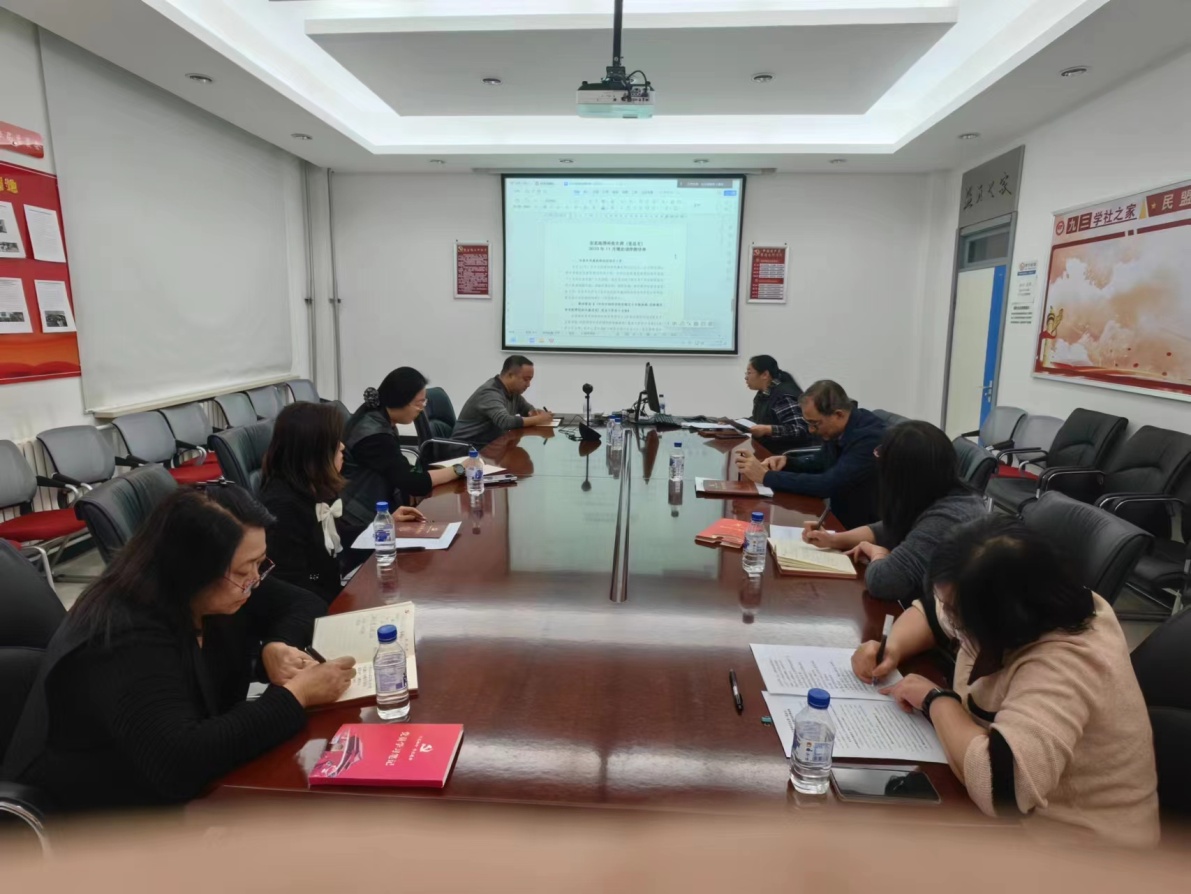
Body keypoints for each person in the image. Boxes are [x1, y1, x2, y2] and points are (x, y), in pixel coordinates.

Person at [3, 485, 357, 812]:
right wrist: (295, 695)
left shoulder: (216, 587)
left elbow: (303, 602)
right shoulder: (125, 635)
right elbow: (178, 763)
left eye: (259, 562)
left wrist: (275, 646)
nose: (254, 579)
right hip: (101, 820)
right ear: (193, 569)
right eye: (243, 570)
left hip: (184, 785)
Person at [853, 515, 1159, 846]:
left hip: (1085, 850)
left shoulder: (1067, 661)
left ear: (1001, 620)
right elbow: (932, 612)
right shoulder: (1018, 597)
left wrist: (935, 701)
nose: (949, 618)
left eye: (957, 614)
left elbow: (1003, 790)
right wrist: (893, 648)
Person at [803, 420, 987, 601]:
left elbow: (884, 583)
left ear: (902, 474)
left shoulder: (948, 517)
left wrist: (877, 553)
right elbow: (890, 527)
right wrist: (834, 540)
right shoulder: (937, 491)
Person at [261, 402, 424, 603]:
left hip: (332, 593)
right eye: (334, 442)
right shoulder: (282, 508)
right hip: (316, 607)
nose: (343, 446)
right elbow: (296, 587)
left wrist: (383, 526)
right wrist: (348, 604)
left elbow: (337, 539)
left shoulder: (316, 487)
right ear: (314, 451)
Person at [736, 380, 885, 529]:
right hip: (838, 514)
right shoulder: (839, 427)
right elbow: (820, 462)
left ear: (838, 415)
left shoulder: (869, 438)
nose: (811, 430)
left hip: (863, 527)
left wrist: (767, 477)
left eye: (815, 424)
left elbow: (829, 484)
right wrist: (788, 462)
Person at [340, 367, 461, 533]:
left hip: (376, 508)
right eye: (419, 403)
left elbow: (397, 469)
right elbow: (413, 483)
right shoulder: (374, 436)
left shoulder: (378, 417)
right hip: (359, 520)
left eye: (424, 402)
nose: (422, 408)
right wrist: (459, 469)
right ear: (400, 400)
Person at [452, 355, 553, 447]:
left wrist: (533, 412)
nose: (528, 384)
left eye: (530, 380)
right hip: (467, 449)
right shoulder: (490, 392)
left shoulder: (513, 392)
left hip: (489, 448)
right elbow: (505, 421)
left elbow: (526, 408)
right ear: (510, 375)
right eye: (526, 379)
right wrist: (539, 419)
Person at [740, 354, 813, 449]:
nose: (746, 377)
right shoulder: (764, 394)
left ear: (765, 374)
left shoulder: (783, 396)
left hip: (787, 453)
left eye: (749, 373)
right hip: (768, 449)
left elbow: (800, 429)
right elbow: (762, 420)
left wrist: (768, 430)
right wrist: (735, 424)